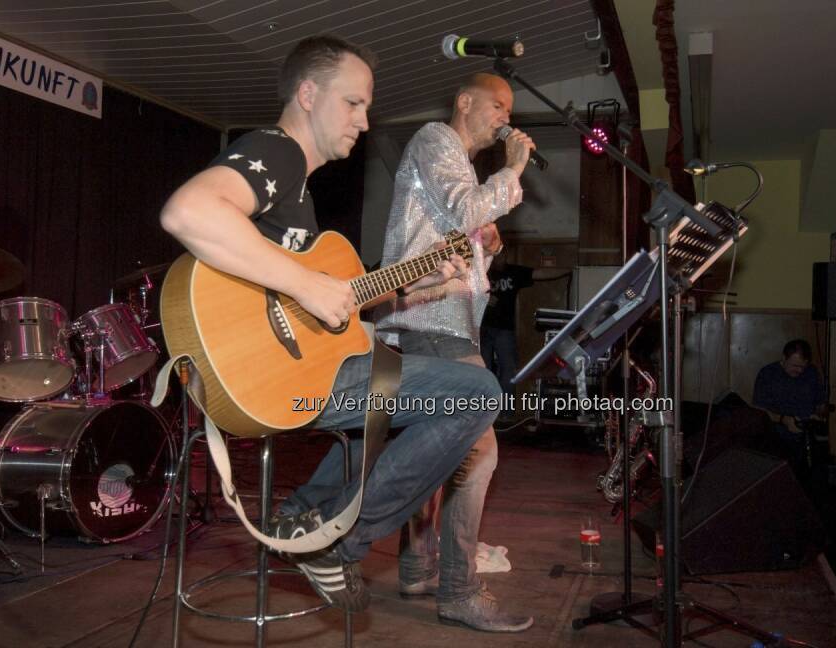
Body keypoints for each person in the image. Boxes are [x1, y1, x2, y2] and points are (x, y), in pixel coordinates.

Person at [159, 35, 502, 614]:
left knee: (408, 386)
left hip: (291, 372)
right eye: (353, 103)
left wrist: (421, 279)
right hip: (260, 374)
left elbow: (335, 304)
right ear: (308, 93)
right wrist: (305, 284)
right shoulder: (277, 151)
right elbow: (188, 210)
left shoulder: (299, 195)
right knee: (475, 394)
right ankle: (339, 538)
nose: (365, 122)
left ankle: (308, 514)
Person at [374, 72, 536, 632]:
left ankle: (419, 567)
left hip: (447, 320)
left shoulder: (459, 162)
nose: (505, 118)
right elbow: (465, 210)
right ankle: (459, 590)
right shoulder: (435, 138)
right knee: (480, 450)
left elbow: (460, 232)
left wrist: (486, 244)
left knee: (435, 447)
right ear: (464, 101)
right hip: (431, 317)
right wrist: (512, 171)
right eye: (498, 105)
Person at [481, 253, 569, 422]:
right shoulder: (479, 271)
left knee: (508, 370)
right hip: (480, 328)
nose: (502, 260)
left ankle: (506, 413)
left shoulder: (513, 272)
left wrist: (569, 270)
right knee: (483, 371)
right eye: (498, 257)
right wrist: (483, 298)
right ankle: (484, 414)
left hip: (504, 329)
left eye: (504, 257)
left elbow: (539, 273)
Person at [751, 339, 827, 479]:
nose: (799, 370)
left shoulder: (811, 373)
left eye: (802, 367)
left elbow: (821, 404)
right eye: (795, 365)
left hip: (806, 442)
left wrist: (818, 415)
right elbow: (758, 410)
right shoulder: (768, 374)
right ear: (784, 358)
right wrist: (784, 420)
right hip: (776, 442)